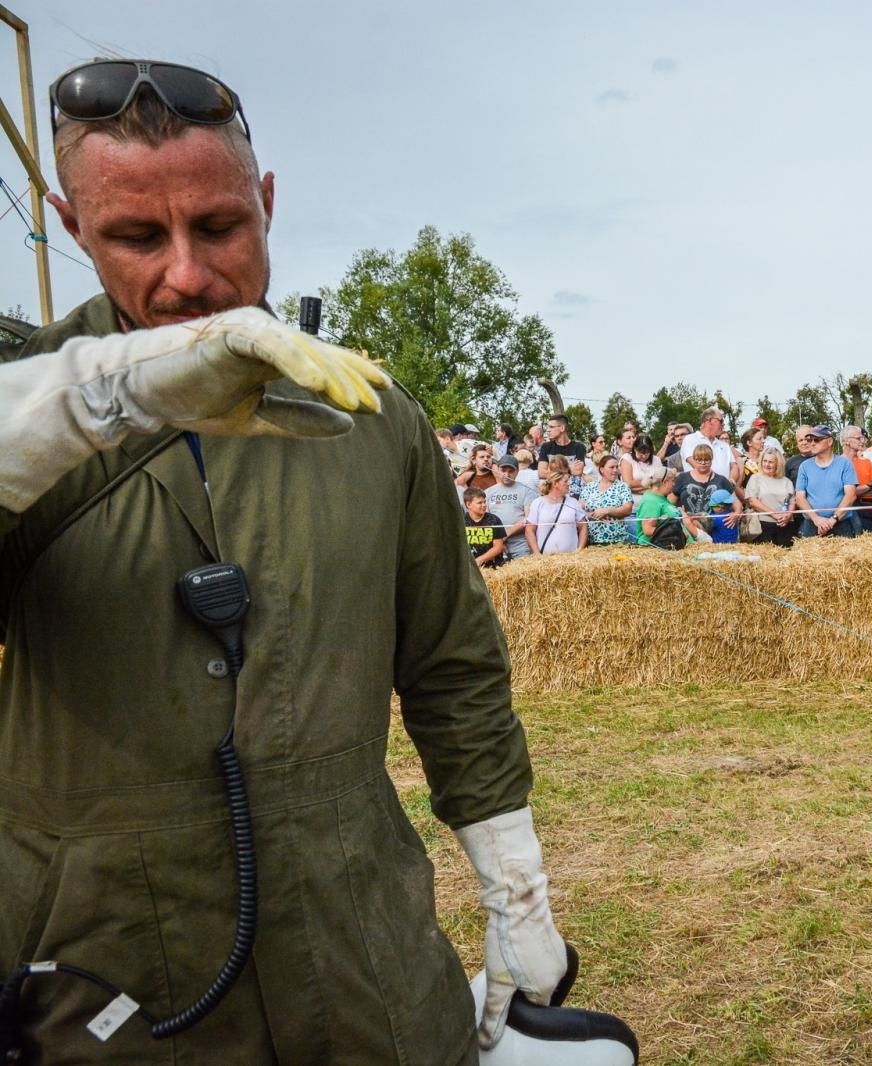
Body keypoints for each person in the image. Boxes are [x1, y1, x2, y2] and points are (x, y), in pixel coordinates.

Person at [1, 59, 565, 1063]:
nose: (187, 275)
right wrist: (94, 402)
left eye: (220, 225)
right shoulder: (27, 408)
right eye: (137, 237)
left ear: (267, 201)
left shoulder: (372, 417)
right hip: (103, 983)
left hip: (363, 964)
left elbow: (452, 666)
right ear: (72, 225)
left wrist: (514, 884)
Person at [793, 426, 859, 538]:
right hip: (812, 524)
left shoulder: (845, 463)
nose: (812, 443)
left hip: (841, 523)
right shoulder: (804, 466)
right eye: (810, 440)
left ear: (829, 441)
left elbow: (851, 495)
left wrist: (833, 519)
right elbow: (799, 498)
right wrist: (816, 519)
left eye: (817, 440)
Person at [670, 444, 742, 526]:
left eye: (706, 459)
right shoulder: (683, 478)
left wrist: (736, 513)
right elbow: (670, 502)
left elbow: (735, 501)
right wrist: (677, 512)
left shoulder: (721, 480)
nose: (703, 462)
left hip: (715, 527)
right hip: (688, 526)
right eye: (699, 460)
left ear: (711, 460)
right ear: (694, 459)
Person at [741, 448, 798, 547]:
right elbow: (753, 501)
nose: (767, 464)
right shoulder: (755, 478)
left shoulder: (787, 481)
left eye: (771, 462)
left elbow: (792, 502)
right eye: (765, 461)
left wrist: (788, 516)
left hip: (786, 525)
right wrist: (774, 514)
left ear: (778, 464)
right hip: (763, 525)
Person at [485, 454, 535, 559]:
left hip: (521, 546)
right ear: (498, 470)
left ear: (517, 471)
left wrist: (505, 535)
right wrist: (498, 541)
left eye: (511, 471)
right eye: (503, 470)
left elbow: (528, 519)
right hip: (495, 546)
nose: (506, 474)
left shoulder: (526, 491)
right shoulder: (488, 492)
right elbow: (486, 519)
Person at [527, 469, 588, 554]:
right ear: (555, 483)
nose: (569, 483)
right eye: (565, 481)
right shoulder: (537, 503)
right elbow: (529, 530)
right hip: (545, 558)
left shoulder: (573, 502)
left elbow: (583, 527)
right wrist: (537, 554)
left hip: (571, 558)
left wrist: (580, 549)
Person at [580, 454, 635, 546]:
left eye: (617, 467)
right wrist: (591, 515)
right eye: (611, 467)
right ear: (602, 469)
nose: (615, 470)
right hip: (591, 540)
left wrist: (607, 511)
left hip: (617, 540)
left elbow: (627, 509)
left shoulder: (622, 487)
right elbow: (579, 509)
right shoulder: (590, 486)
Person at [679, 406, 736, 481]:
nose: (723, 424)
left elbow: (734, 467)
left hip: (725, 487)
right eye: (721, 421)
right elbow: (697, 465)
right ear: (709, 420)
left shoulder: (724, 445)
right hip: (699, 487)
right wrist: (719, 483)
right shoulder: (690, 439)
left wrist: (730, 482)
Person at [841, 426, 872, 533]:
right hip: (851, 510)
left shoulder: (866, 461)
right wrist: (869, 486)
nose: (862, 441)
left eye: (862, 438)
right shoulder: (838, 464)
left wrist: (865, 487)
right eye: (858, 438)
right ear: (847, 441)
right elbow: (845, 493)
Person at [462, 486, 508, 567]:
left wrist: (479, 560)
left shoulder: (494, 520)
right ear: (468, 504)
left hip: (494, 567)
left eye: (484, 502)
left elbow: (498, 547)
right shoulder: (462, 522)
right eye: (479, 503)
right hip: (469, 567)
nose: (484, 505)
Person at [536, 413, 585, 477]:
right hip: (553, 484)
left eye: (551, 427)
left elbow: (578, 472)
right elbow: (541, 473)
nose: (548, 430)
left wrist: (551, 471)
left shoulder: (579, 447)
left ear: (562, 428)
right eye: (548, 427)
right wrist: (569, 470)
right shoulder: (546, 447)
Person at [621, 432, 663, 503]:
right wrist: (651, 484)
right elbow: (628, 484)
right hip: (633, 501)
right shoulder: (627, 458)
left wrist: (637, 487)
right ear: (635, 449)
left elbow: (661, 482)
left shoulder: (656, 460)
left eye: (647, 454)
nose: (644, 456)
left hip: (654, 501)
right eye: (641, 454)